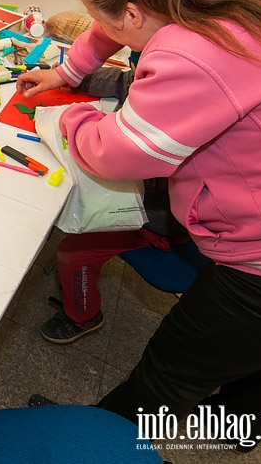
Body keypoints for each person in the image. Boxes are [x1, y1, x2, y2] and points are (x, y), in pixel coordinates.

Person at [17, 0, 261, 449]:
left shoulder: (196, 53)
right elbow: (116, 26)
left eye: (106, 17)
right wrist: (68, 69)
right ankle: (247, 428)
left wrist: (70, 114)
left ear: (136, 11)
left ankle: (89, 444)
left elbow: (120, 155)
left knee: (166, 375)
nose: (101, 27)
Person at [39, 52, 191, 344]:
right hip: (152, 200)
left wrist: (75, 118)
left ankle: (83, 317)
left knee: (72, 254)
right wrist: (68, 78)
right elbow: (127, 82)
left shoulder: (181, 110)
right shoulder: (165, 70)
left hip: (158, 221)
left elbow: (119, 158)